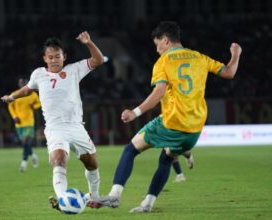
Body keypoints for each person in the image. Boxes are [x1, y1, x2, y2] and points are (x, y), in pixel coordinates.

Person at [88, 21, 242, 213]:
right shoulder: (199, 57)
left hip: (172, 122)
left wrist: (134, 112)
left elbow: (159, 91)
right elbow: (229, 72)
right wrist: (235, 55)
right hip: (194, 129)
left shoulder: (164, 62)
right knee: (167, 157)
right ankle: (147, 204)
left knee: (131, 149)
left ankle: (114, 196)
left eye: (157, 44)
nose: (157, 50)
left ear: (166, 40)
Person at [1, 31, 105, 211]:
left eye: (58, 56)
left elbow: (99, 60)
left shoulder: (74, 70)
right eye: (51, 57)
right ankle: (63, 200)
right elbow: (27, 89)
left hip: (75, 126)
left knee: (91, 163)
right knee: (58, 159)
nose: (54, 60)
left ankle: (94, 196)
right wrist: (12, 96)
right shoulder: (38, 74)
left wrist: (88, 42)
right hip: (55, 129)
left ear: (64, 57)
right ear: (45, 58)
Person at [8, 78, 41, 172]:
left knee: (27, 141)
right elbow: (10, 106)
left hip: (29, 122)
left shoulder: (32, 94)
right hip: (19, 123)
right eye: (20, 83)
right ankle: (33, 155)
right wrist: (14, 116)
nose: (22, 85)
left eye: (24, 83)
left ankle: (24, 163)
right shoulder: (15, 94)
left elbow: (39, 103)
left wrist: (34, 106)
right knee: (24, 143)